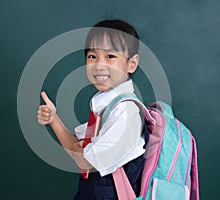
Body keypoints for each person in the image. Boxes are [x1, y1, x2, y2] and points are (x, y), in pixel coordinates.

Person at [37, 19, 148, 199]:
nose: (99, 65)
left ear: (132, 64)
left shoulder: (126, 112)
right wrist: (54, 120)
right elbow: (78, 151)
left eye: (110, 56)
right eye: (92, 56)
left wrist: (81, 149)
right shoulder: (105, 105)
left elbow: (84, 160)